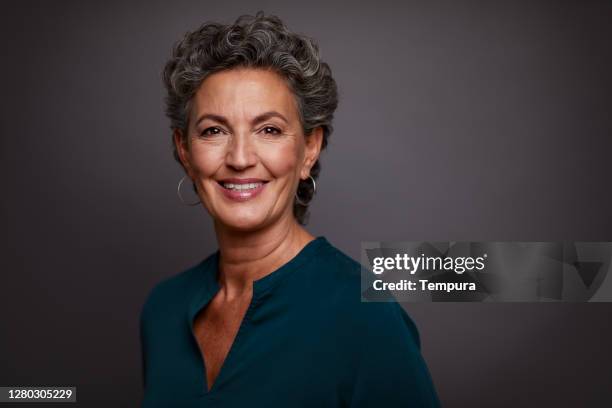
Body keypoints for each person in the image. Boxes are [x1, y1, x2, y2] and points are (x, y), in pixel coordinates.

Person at [139, 12, 440, 407]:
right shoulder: (163, 310)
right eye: (214, 130)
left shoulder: (364, 315)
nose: (241, 157)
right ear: (184, 150)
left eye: (269, 130)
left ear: (309, 149)